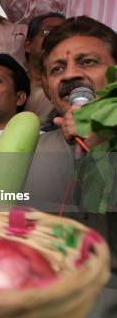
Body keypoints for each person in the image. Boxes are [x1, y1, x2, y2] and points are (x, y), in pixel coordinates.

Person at [23, 16, 116, 315]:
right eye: (57, 69)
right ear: (48, 90)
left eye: (87, 62)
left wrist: (100, 148)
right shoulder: (29, 150)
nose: (69, 75)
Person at [23, 13, 66, 126]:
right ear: (28, 45)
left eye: (64, 33)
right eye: (48, 32)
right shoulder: (10, 82)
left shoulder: (73, 84)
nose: (57, 38)